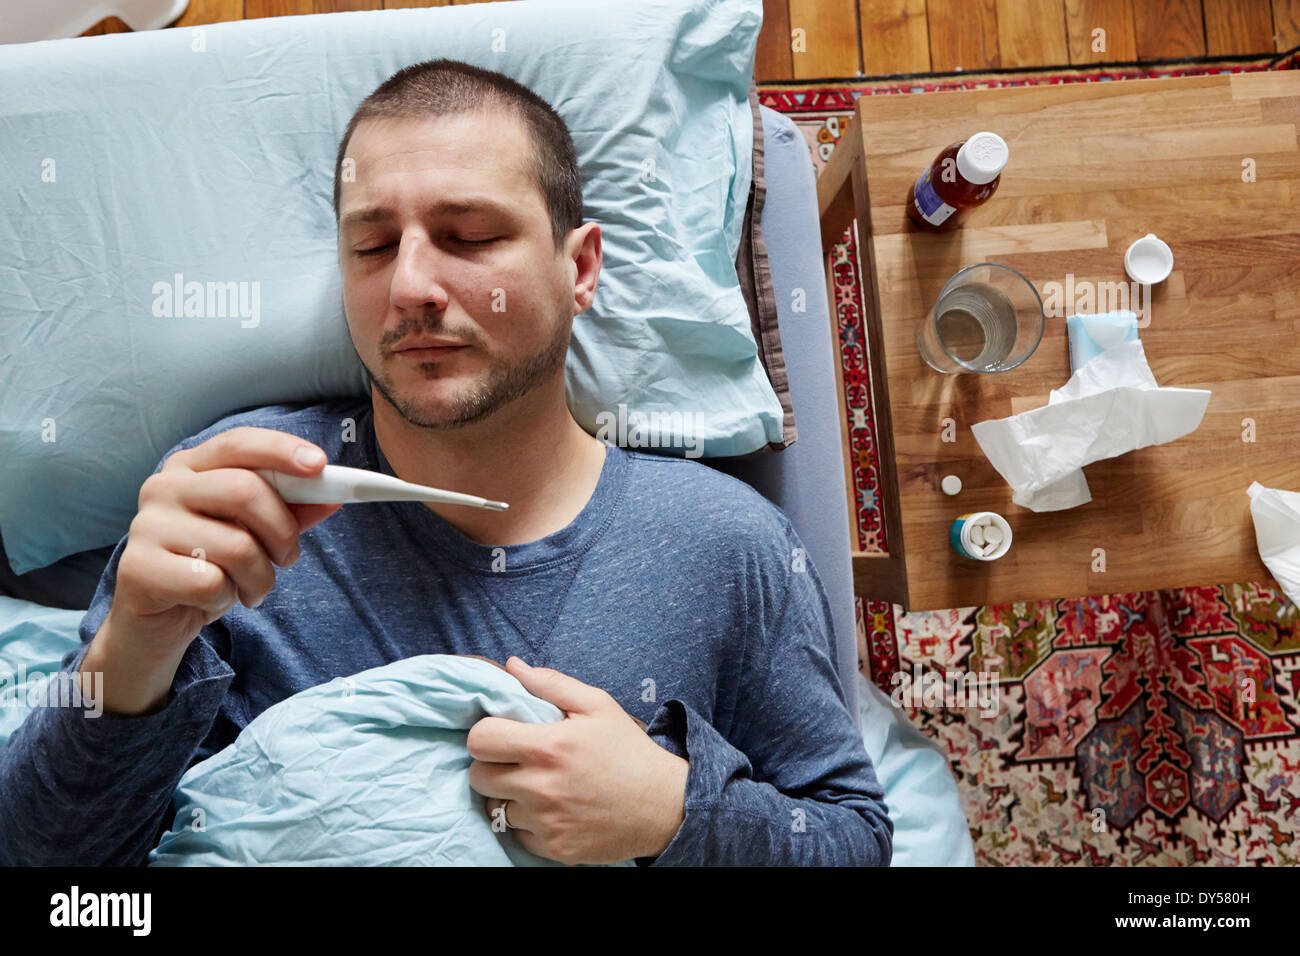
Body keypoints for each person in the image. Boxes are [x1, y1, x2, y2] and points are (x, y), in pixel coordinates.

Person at [0, 59, 892, 866]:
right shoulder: (232, 498)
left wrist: (673, 813)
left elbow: (853, 839)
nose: (411, 287)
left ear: (580, 268)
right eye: (373, 246)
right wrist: (130, 657)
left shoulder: (727, 547)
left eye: (467, 235)